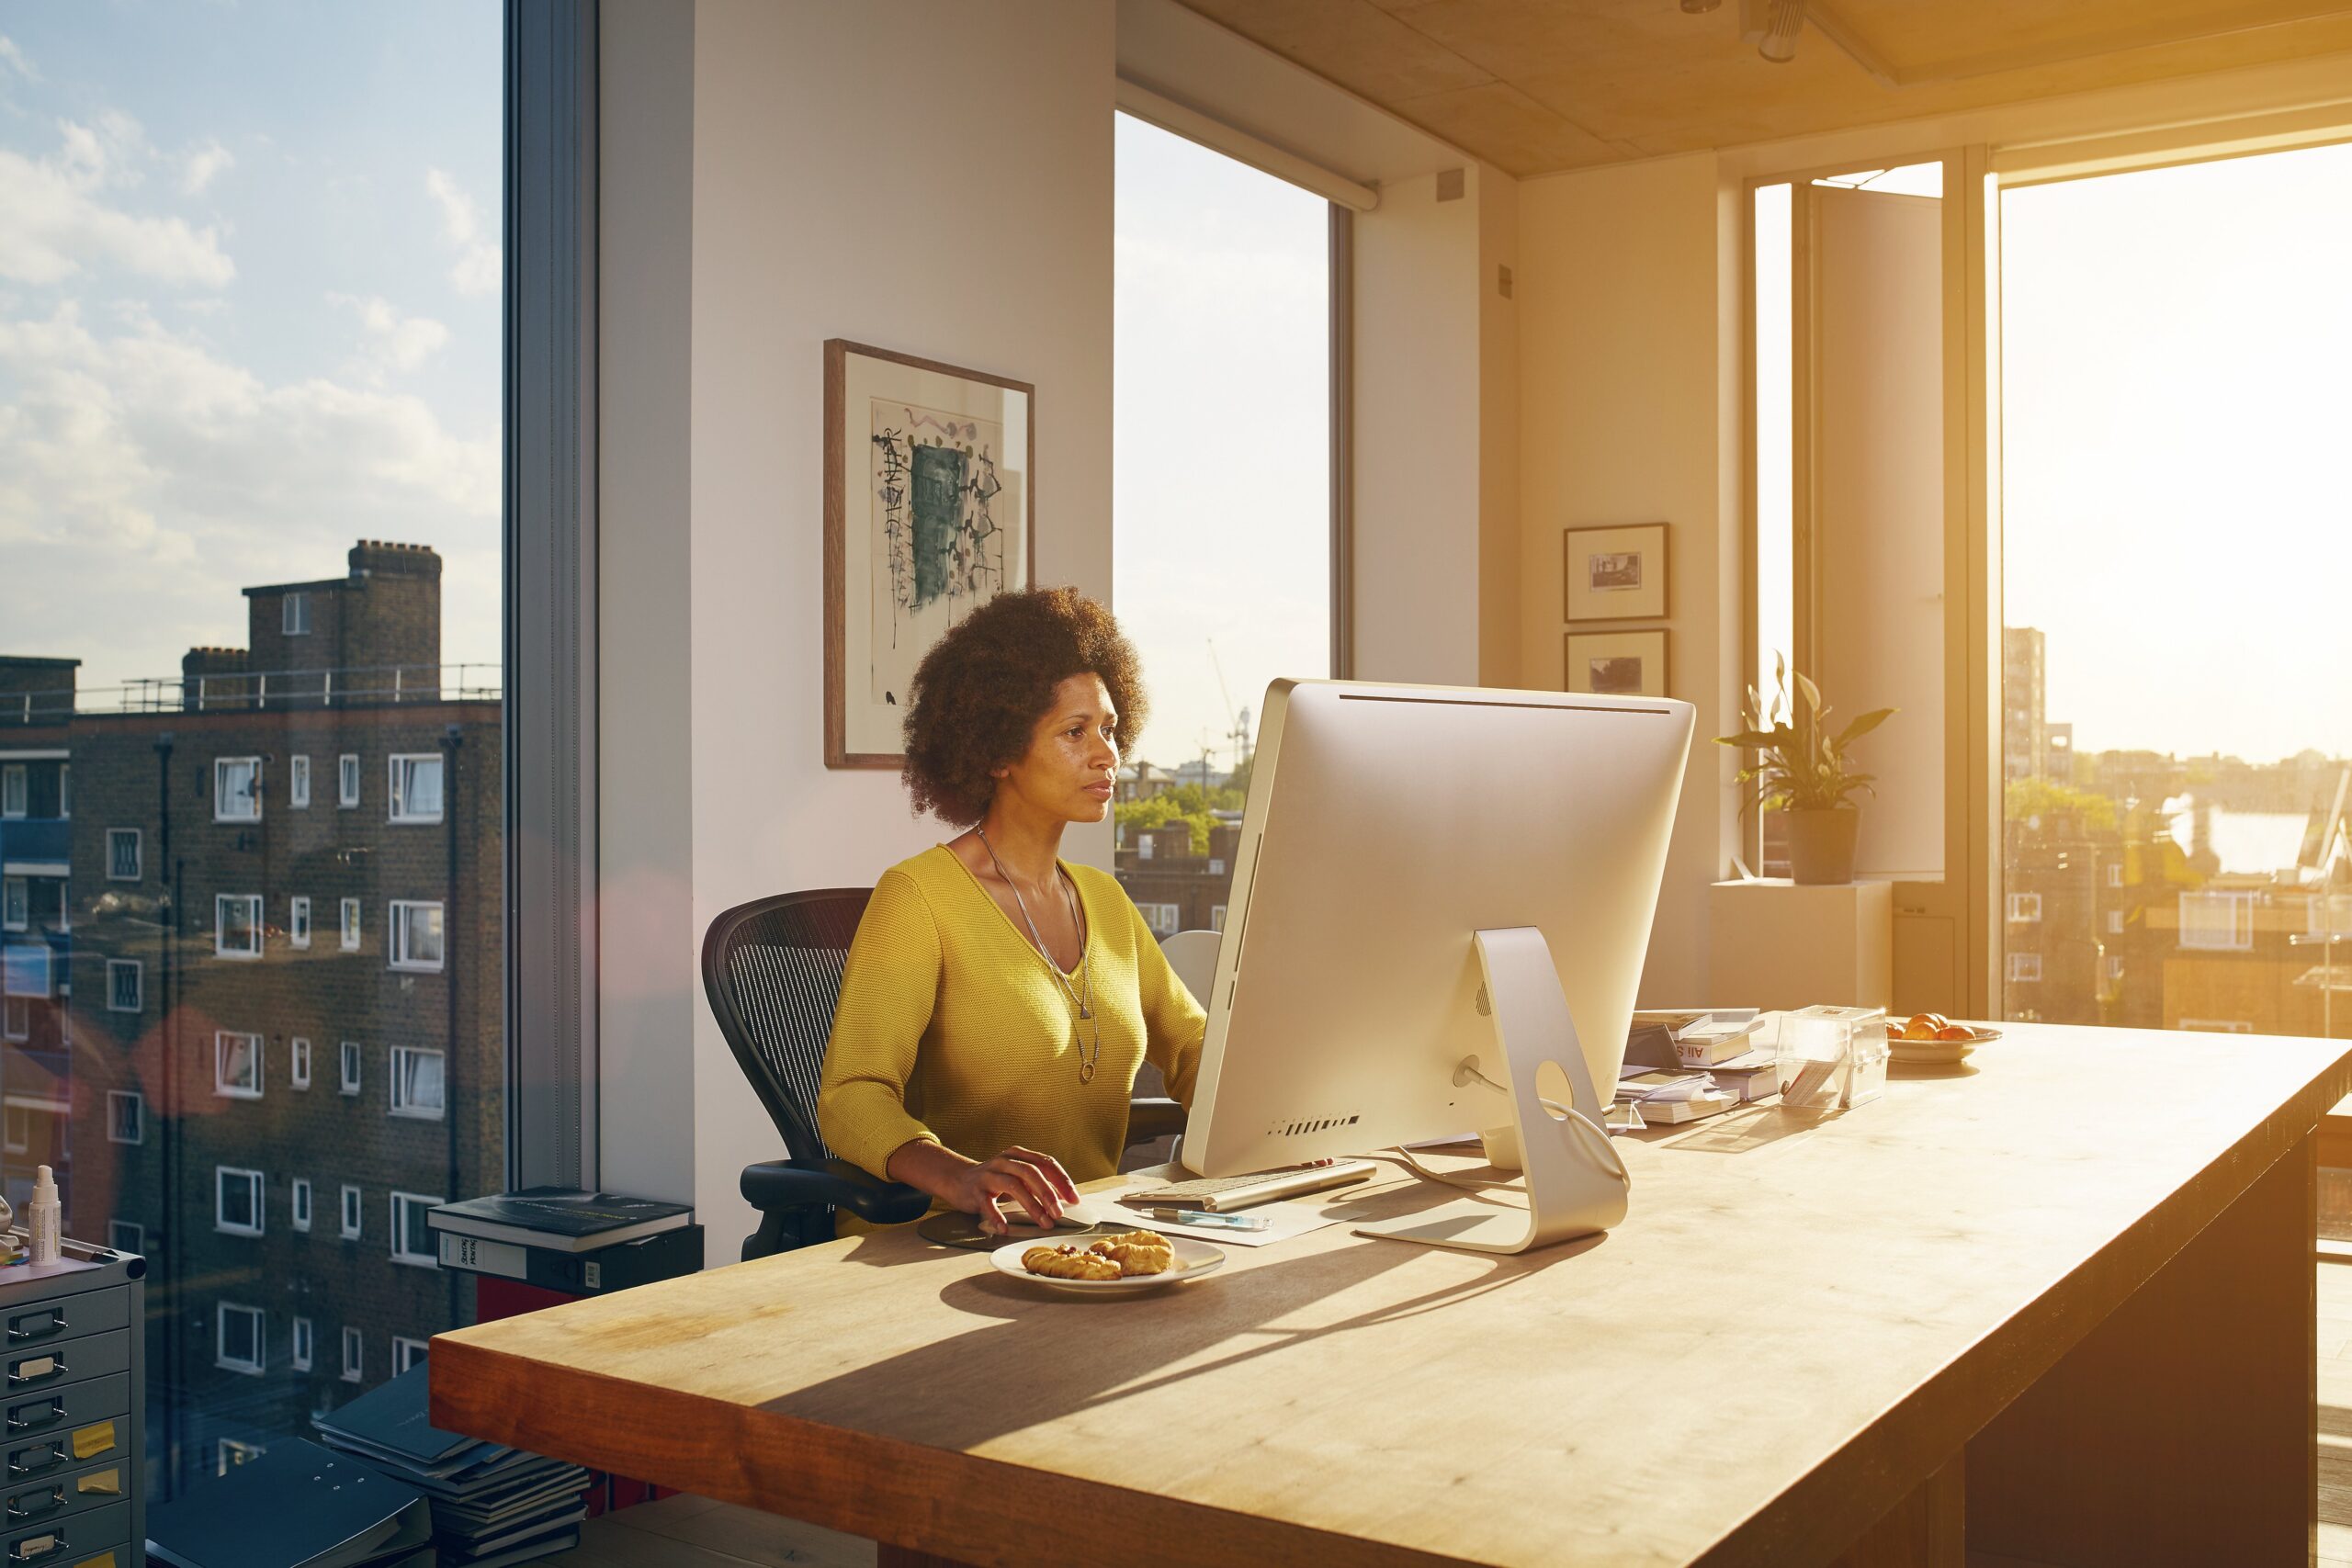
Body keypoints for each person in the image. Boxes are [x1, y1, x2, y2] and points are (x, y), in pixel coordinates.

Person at [817, 586, 1206, 1234]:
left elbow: (1192, 1046)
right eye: (1075, 732)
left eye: (1109, 729)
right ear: (997, 751)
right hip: (942, 1244)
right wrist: (957, 1174)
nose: (1107, 754)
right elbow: (851, 1093)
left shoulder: (1104, 900)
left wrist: (1289, 1117)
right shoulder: (918, 897)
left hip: (1082, 1240)